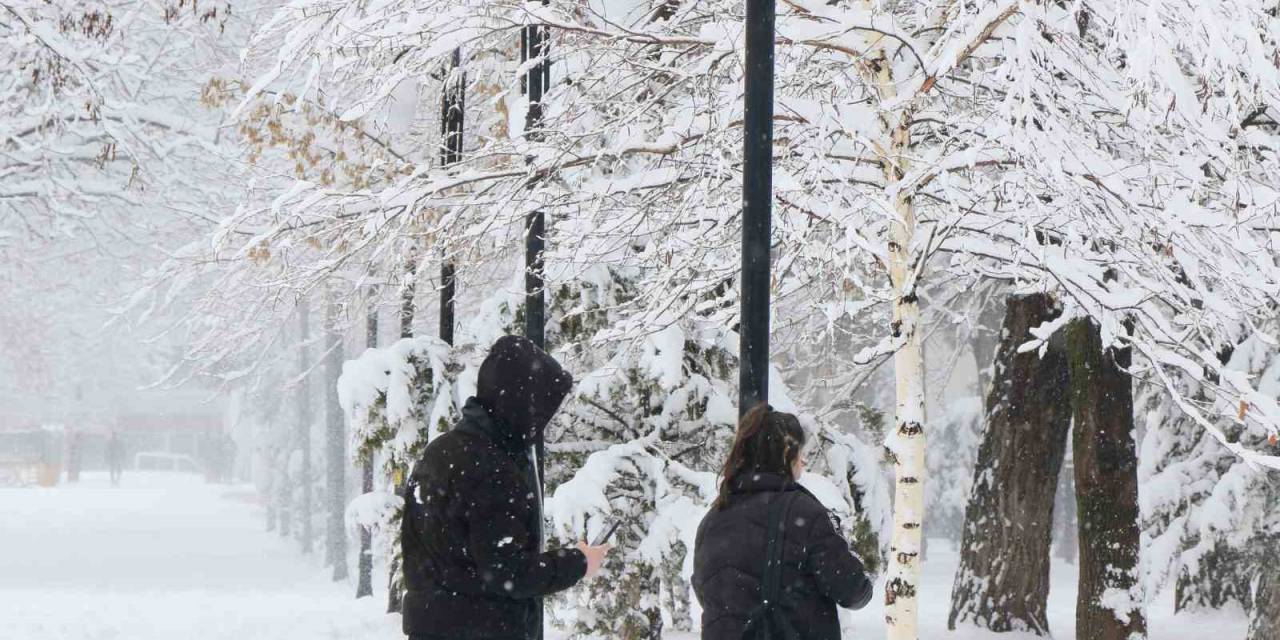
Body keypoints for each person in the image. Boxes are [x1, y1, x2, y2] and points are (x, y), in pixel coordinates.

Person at [400, 335, 612, 640]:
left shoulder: (440, 452)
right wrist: (578, 562)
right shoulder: (494, 469)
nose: (541, 422)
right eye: (539, 407)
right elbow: (508, 573)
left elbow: (417, 550)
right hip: (483, 629)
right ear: (520, 402)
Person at [693, 404, 874, 640]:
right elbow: (852, 590)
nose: (803, 460)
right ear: (785, 453)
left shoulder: (713, 518)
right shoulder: (806, 514)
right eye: (800, 451)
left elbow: (707, 591)